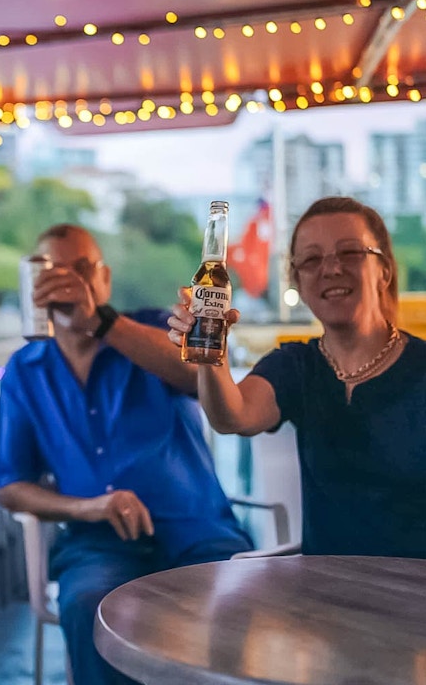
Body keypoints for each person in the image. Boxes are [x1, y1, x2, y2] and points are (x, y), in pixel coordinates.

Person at [0, 224, 252, 685]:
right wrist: (88, 507)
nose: (71, 281)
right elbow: (11, 486)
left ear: (105, 280)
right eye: (56, 272)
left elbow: (195, 375)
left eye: (83, 269)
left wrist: (99, 320)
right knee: (89, 604)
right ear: (36, 285)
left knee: (226, 602)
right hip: (98, 541)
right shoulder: (25, 371)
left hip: (196, 528)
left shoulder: (150, 331)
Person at [168, 196, 426, 559]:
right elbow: (232, 417)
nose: (331, 269)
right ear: (299, 284)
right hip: (324, 596)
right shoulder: (297, 366)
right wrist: (213, 351)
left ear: (384, 269)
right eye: (312, 259)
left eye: (350, 252)